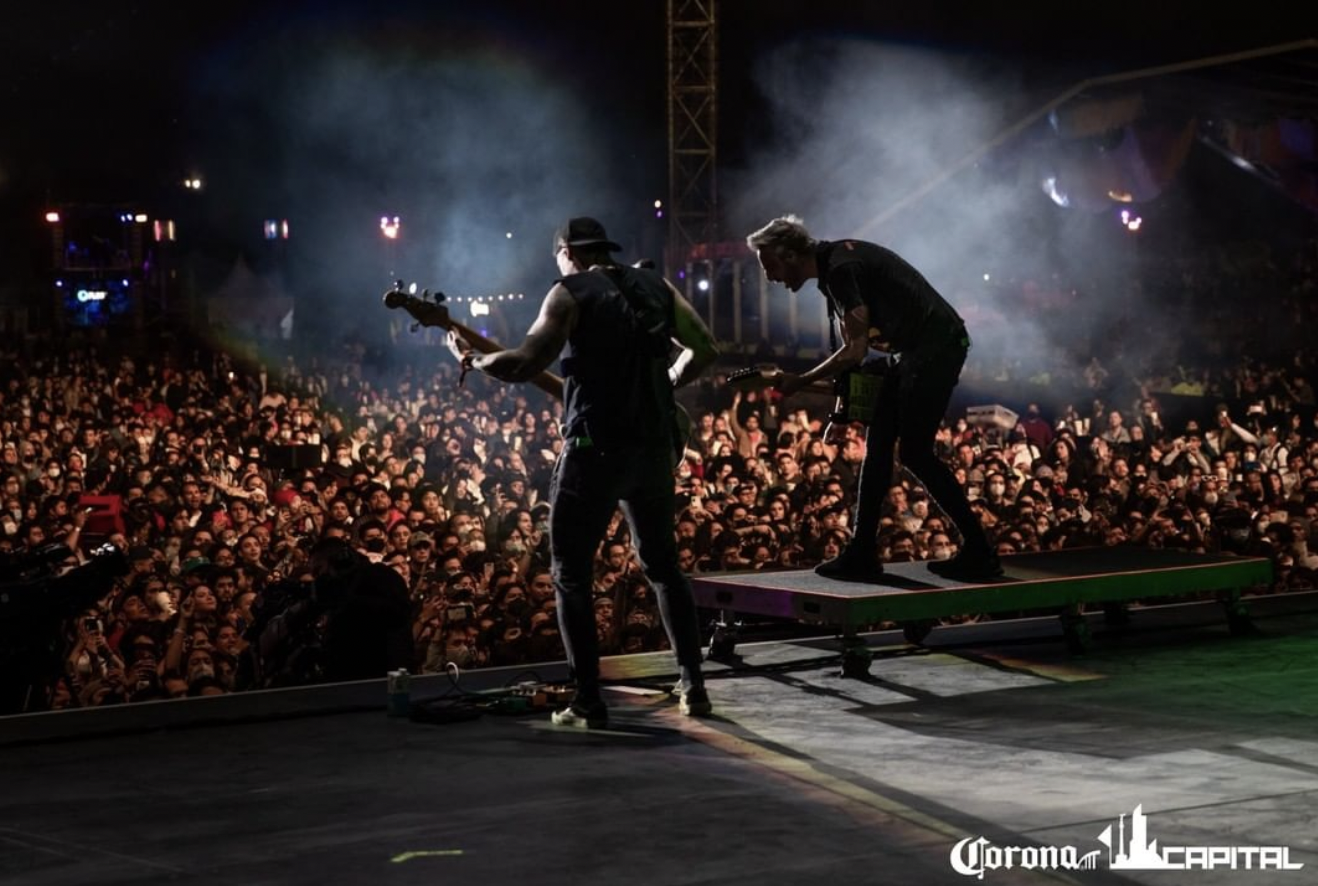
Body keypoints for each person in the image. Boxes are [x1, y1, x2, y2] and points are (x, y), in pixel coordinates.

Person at [449, 217, 719, 727]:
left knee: (571, 574)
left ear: (567, 252)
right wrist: (665, 385)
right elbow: (706, 348)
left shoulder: (568, 293)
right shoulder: (655, 285)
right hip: (652, 451)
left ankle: (588, 701)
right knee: (664, 568)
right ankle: (694, 685)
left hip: (594, 453)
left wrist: (472, 360)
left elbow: (523, 363)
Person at [745, 214, 1000, 582]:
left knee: (914, 452)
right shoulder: (836, 264)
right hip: (916, 351)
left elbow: (855, 351)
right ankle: (862, 551)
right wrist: (838, 411)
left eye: (770, 266)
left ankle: (979, 550)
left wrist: (800, 381)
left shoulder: (839, 270)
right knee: (878, 443)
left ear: (788, 255)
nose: (770, 277)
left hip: (933, 348)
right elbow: (856, 355)